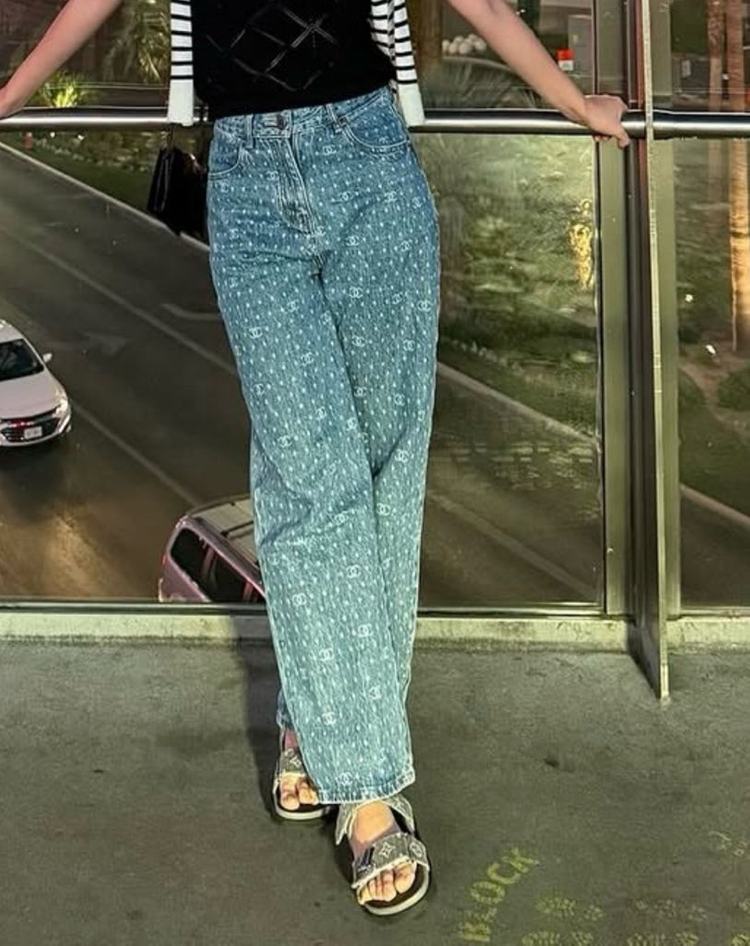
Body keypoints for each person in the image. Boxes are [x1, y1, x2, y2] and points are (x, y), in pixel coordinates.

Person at [0, 0, 629, 918]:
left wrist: (574, 104)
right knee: (310, 484)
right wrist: (8, 94)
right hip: (247, 183)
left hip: (369, 160)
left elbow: (481, 2)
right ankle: (368, 791)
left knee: (382, 476)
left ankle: (312, 725)